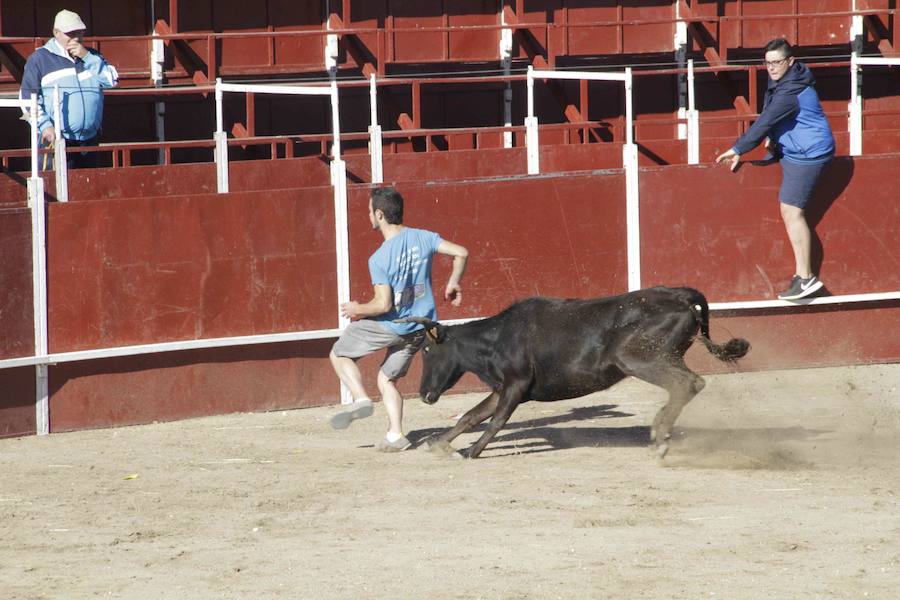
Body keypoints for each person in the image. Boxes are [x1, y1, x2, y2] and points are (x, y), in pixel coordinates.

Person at [328, 186, 469, 452]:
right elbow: (461, 252)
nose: (368, 215)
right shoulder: (424, 238)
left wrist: (358, 309)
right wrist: (453, 282)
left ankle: (360, 399)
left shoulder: (379, 258)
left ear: (379, 214)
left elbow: (383, 305)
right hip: (420, 327)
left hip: (392, 324)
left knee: (339, 354)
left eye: (370, 212)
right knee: (386, 379)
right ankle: (396, 435)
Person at [716, 38, 835, 301]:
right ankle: (802, 276)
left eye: (777, 62)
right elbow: (773, 113)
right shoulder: (788, 77)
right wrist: (775, 136)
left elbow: (766, 119)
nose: (771, 68)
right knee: (790, 209)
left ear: (790, 61)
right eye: (767, 63)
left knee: (791, 210)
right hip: (797, 148)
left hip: (809, 154)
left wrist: (738, 149)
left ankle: (806, 279)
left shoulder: (791, 88)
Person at [19, 9, 118, 169]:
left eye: (79, 32)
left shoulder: (93, 57)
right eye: (70, 33)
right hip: (56, 140)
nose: (76, 38)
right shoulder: (39, 59)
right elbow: (27, 100)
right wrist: (44, 126)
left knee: (89, 189)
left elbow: (111, 80)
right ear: (56, 33)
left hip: (90, 141)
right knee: (57, 191)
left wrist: (87, 57)